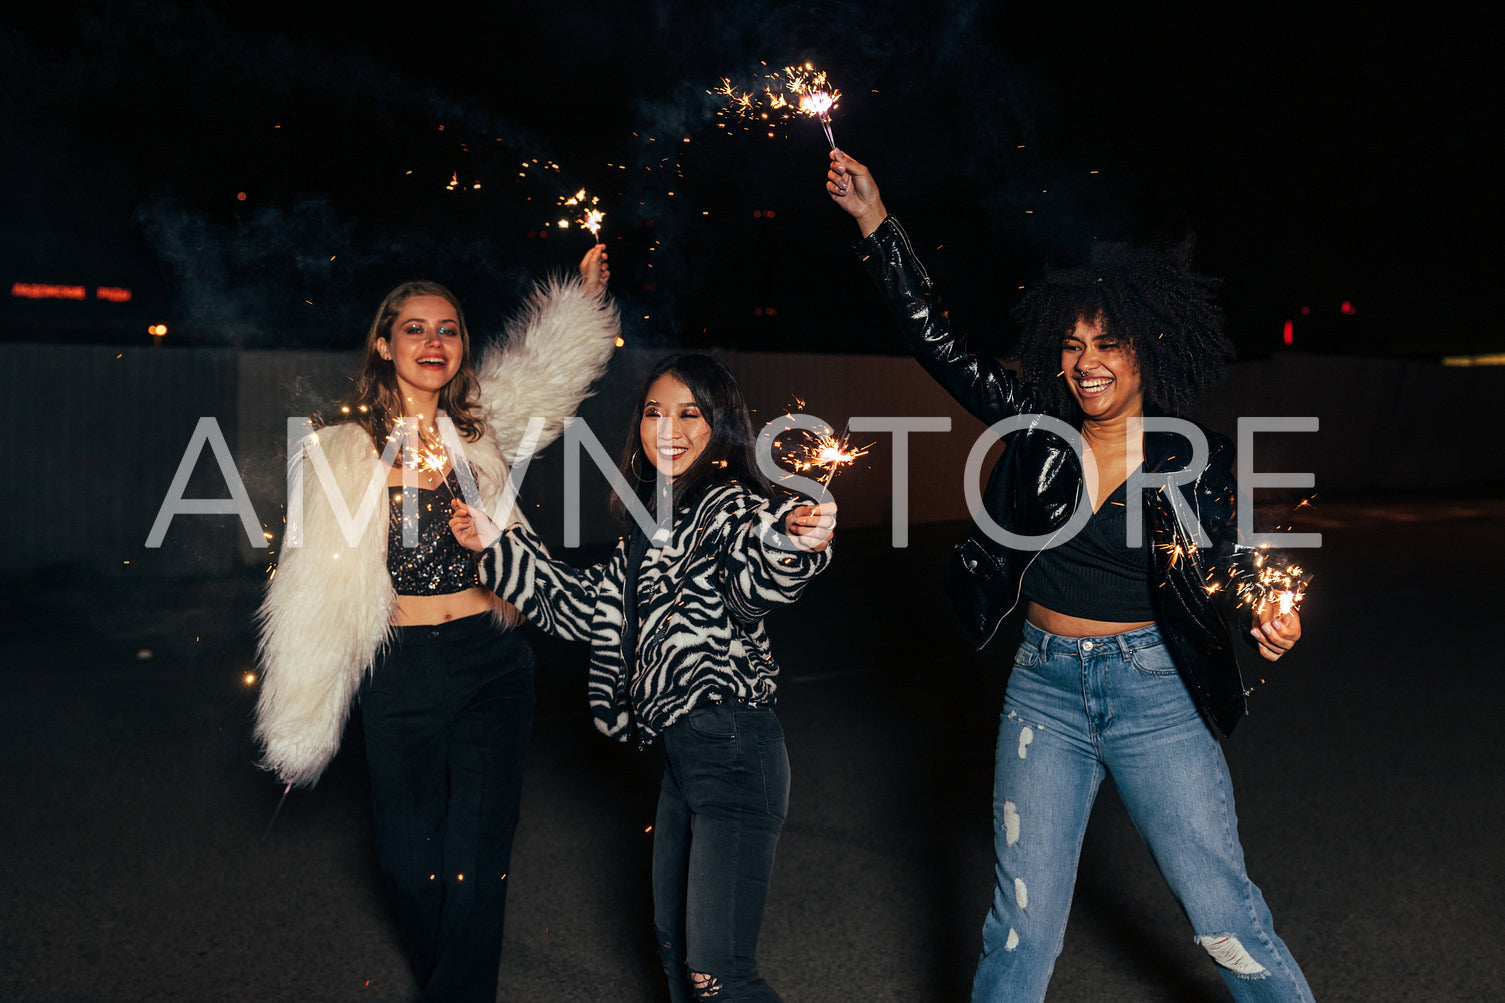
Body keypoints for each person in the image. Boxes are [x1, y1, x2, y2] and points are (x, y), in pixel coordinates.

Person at [827, 151, 1315, 1002]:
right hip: (1041, 693)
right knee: (1019, 929)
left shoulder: (1190, 455)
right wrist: (876, 224)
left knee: (1223, 914)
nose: (1086, 362)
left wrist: (1267, 618)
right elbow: (934, 339)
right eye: (1071, 344)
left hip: (1154, 694)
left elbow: (1230, 570)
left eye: (1108, 344)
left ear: (1145, 349)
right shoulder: (1035, 423)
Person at [253, 245, 619, 1003]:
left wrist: (581, 302)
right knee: (405, 863)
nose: (432, 344)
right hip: (401, 670)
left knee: (478, 856)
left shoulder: (482, 427)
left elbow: (546, 372)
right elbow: (308, 590)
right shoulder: (338, 452)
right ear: (384, 344)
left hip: (490, 660)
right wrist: (300, 709)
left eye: (448, 330)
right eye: (414, 329)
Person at [450, 353, 837, 1002]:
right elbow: (586, 608)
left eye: (691, 413)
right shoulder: (654, 527)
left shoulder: (725, 504)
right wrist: (496, 543)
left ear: (722, 427)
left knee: (718, 975)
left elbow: (753, 573)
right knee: (677, 954)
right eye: (655, 411)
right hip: (686, 761)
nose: (669, 427)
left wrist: (794, 541)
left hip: (733, 751)